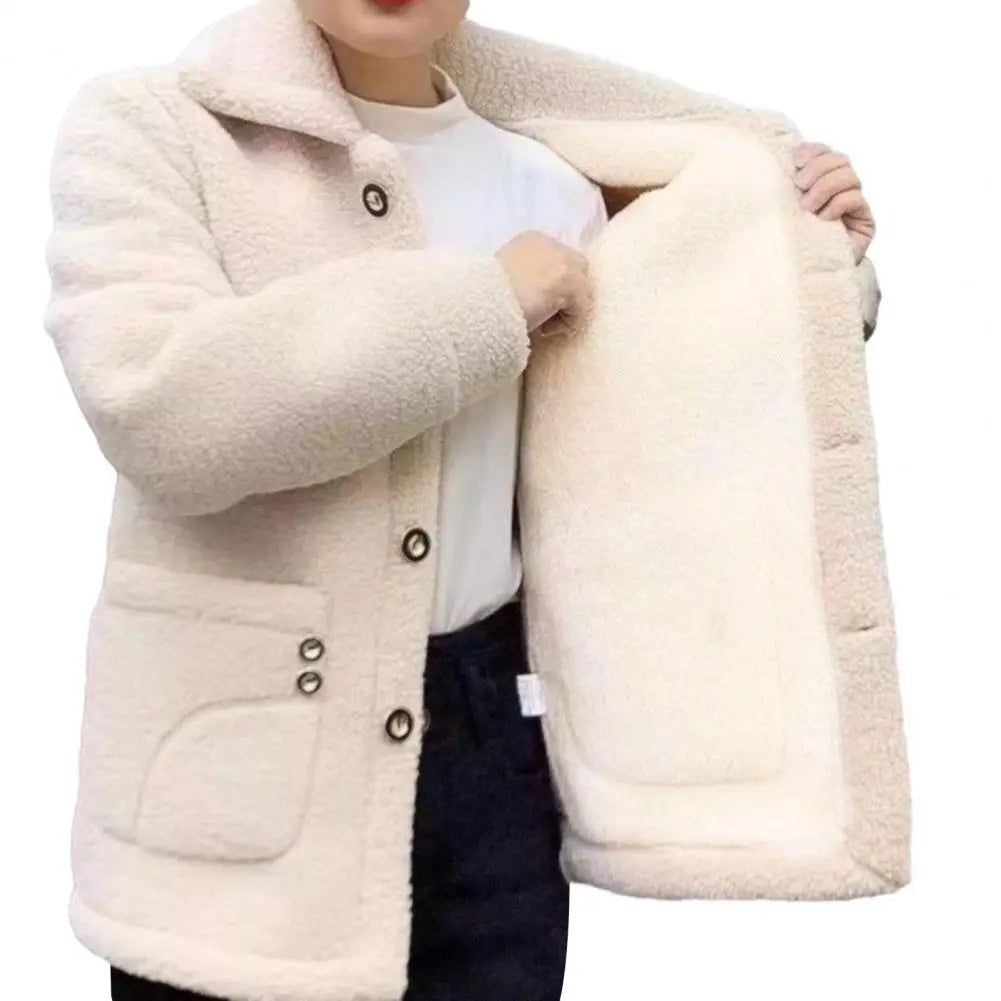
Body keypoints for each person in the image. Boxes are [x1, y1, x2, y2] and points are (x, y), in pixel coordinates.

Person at [43, 2, 879, 1000]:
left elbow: (685, 407)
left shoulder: (553, 179)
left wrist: (810, 260)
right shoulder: (155, 128)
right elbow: (162, 412)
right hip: (243, 749)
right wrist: (484, 303)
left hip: (489, 731)